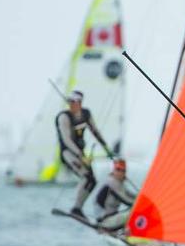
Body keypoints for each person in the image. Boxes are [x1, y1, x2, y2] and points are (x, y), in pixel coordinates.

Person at [56, 89, 115, 219]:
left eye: (74, 101)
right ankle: (75, 208)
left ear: (80, 102)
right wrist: (80, 155)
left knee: (92, 180)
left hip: (81, 153)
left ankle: (78, 208)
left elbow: (95, 131)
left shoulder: (86, 114)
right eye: (70, 101)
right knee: (86, 176)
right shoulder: (64, 117)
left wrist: (106, 149)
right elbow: (66, 140)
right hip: (68, 153)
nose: (71, 104)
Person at [93, 158, 137, 232]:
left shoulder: (120, 184)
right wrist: (141, 204)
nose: (120, 172)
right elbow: (126, 200)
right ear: (113, 170)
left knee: (135, 210)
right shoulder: (112, 182)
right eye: (118, 169)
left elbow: (132, 196)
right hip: (105, 221)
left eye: (123, 170)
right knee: (134, 213)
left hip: (112, 218)